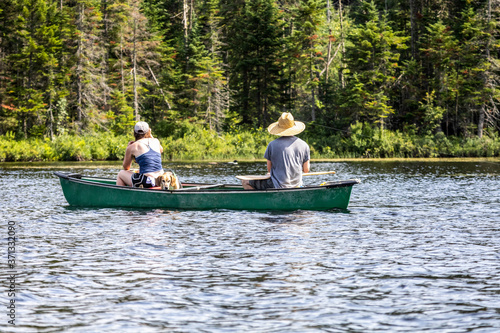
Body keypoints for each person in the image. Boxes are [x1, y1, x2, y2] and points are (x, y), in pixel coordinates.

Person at [242, 112, 310, 190]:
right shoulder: (304, 145)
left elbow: (269, 169)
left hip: (276, 185)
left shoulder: (272, 144)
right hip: (297, 185)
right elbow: (306, 170)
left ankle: (260, 200)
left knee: (245, 182)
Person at [116, 121, 164, 187]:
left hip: (148, 181)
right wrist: (150, 135)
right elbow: (161, 150)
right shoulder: (156, 141)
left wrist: (128, 148)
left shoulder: (132, 146)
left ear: (135, 132)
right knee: (138, 174)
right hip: (160, 179)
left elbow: (126, 167)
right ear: (148, 131)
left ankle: (122, 196)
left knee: (121, 174)